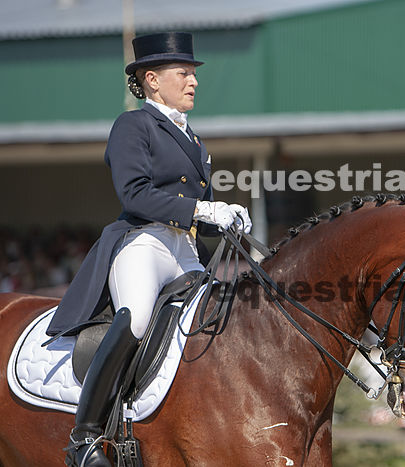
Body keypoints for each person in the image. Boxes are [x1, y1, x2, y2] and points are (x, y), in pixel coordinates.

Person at [45, 32, 252, 466]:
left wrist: (229, 222)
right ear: (153, 79)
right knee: (135, 319)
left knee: (218, 320)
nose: (193, 82)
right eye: (184, 74)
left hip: (185, 248)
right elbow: (134, 194)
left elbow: (198, 212)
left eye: (193, 74)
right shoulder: (133, 126)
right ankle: (83, 439)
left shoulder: (193, 139)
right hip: (143, 242)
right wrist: (204, 208)